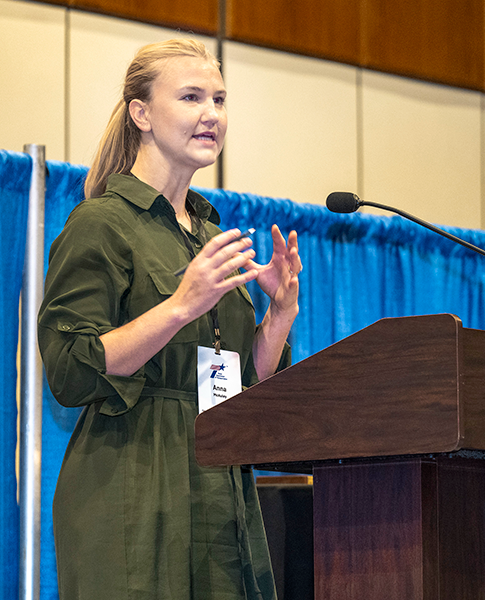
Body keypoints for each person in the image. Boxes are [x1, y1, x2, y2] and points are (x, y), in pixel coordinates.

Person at [38, 38, 301, 600]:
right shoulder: (101, 224)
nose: (212, 114)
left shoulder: (212, 236)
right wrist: (182, 305)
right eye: (190, 97)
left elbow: (239, 388)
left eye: (220, 99)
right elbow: (69, 371)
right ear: (142, 113)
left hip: (218, 488)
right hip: (130, 484)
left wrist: (279, 316)